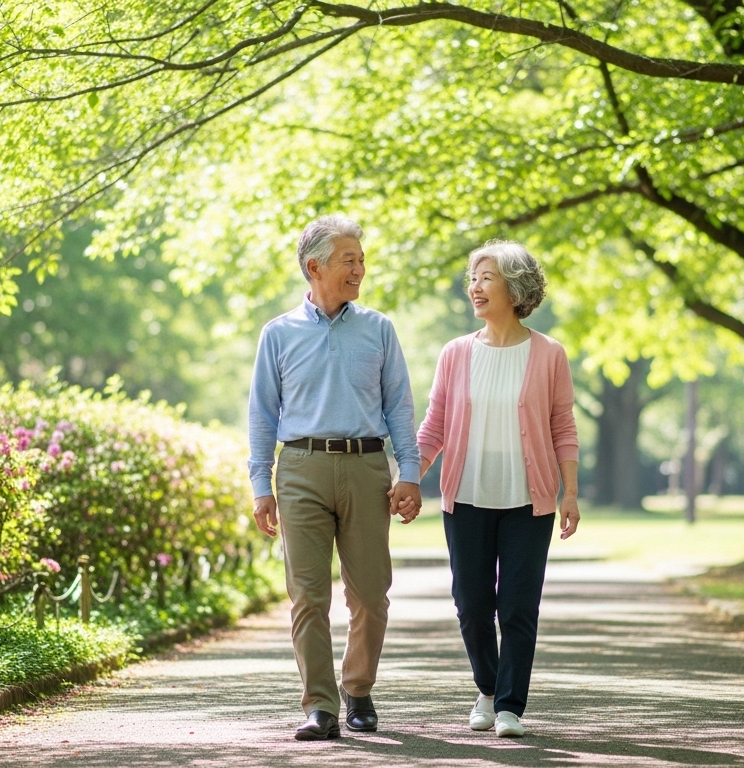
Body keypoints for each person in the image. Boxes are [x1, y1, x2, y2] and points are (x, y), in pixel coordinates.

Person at [248, 214, 423, 741]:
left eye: (362, 260)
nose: (360, 270)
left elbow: (400, 407)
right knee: (307, 595)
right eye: (350, 260)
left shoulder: (379, 329)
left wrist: (409, 472)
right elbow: (261, 413)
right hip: (300, 469)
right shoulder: (277, 334)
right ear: (314, 267)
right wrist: (262, 484)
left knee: (370, 593)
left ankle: (359, 689)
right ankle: (320, 706)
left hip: (367, 466)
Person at [412, 239, 580, 738]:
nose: (475, 287)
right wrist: (408, 478)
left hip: (529, 501)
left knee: (518, 605)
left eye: (487, 277)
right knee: (471, 603)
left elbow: (563, 428)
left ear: (516, 286)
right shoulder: (456, 353)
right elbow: (434, 426)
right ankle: (486, 687)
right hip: (465, 494)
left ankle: (509, 706)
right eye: (473, 278)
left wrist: (570, 493)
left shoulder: (549, 353)